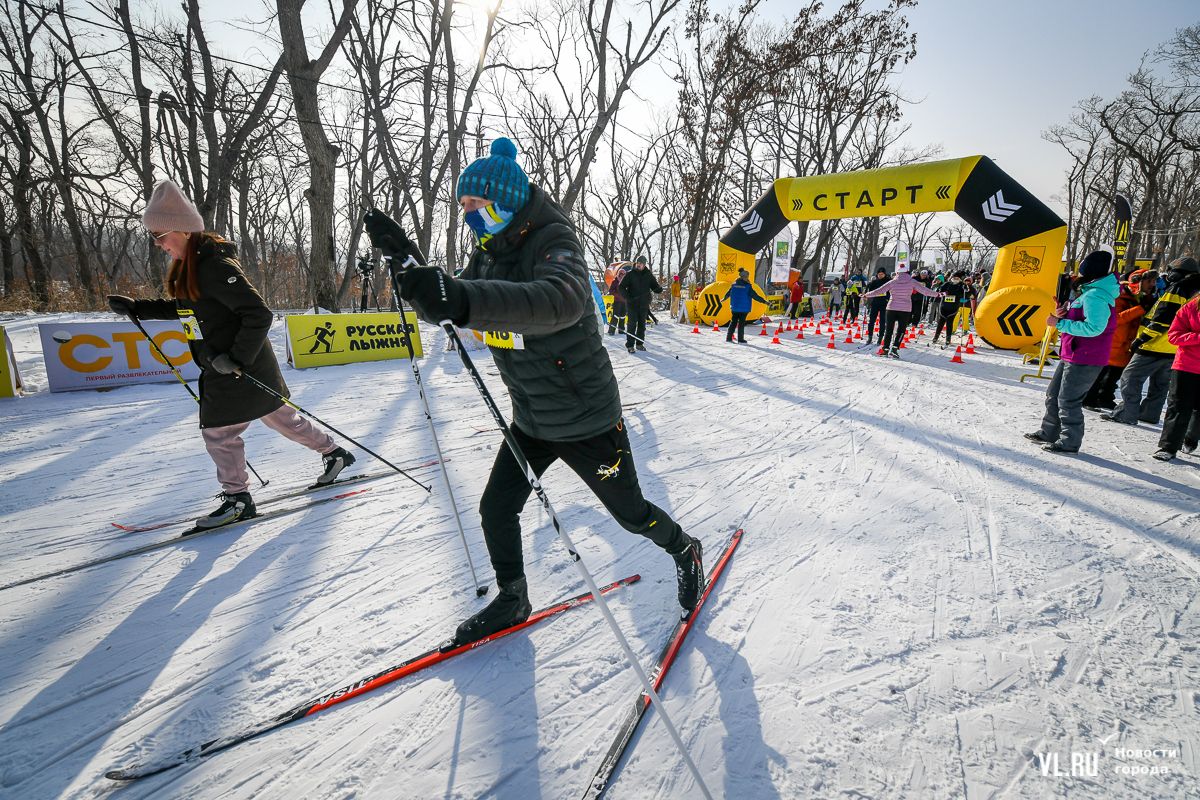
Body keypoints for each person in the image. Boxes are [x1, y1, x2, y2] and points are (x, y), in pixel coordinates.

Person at [364, 138, 703, 645]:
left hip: (587, 419)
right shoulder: (486, 254)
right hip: (531, 419)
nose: (468, 214)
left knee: (632, 516)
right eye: (463, 205)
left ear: (505, 200)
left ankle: (684, 548)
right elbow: (453, 304)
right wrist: (412, 266)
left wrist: (459, 296)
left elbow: (558, 301)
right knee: (495, 509)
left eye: (475, 203)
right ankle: (513, 597)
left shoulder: (554, 240)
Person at [107, 181, 354, 529]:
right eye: (154, 238)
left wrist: (236, 358)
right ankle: (334, 453)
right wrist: (138, 308)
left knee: (219, 433)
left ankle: (238, 500)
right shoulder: (190, 265)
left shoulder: (214, 266)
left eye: (161, 236)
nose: (159, 244)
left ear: (184, 231)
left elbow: (259, 314)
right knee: (280, 418)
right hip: (231, 364)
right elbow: (187, 309)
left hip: (235, 366)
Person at [1025, 249, 1119, 454]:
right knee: (1054, 394)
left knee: (1068, 400)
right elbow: (1081, 319)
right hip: (1072, 352)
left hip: (1086, 356)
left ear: (1090, 272)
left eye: (1081, 270)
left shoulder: (1095, 296)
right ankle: (1049, 432)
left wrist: (1060, 323)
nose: (1077, 274)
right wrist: (1065, 315)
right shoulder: (1088, 293)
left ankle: (1069, 442)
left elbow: (1095, 328)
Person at [1103, 256, 1200, 426]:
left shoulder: (1179, 288)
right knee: (1160, 384)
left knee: (1130, 377)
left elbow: (1163, 319)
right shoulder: (1196, 290)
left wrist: (1142, 338)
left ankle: (1126, 413)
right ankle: (1149, 414)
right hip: (1177, 348)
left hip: (1155, 344)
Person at [1082, 270, 1151, 411]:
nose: (1152, 284)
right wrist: (1140, 309)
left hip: (1127, 344)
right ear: (1137, 282)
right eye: (1149, 281)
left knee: (1113, 376)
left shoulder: (1143, 298)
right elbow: (1115, 318)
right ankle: (1089, 399)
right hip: (1113, 342)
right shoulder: (1118, 295)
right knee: (1100, 374)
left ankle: (1105, 398)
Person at [862, 264, 942, 358]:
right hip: (905, 309)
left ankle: (885, 349)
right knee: (901, 330)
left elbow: (879, 291)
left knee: (889, 330)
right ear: (907, 272)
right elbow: (925, 291)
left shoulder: (892, 282)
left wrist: (865, 295)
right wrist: (938, 294)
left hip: (891, 308)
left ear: (897, 272)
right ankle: (895, 348)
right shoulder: (912, 282)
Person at [618, 255, 663, 353]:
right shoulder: (630, 274)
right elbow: (621, 287)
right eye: (637, 263)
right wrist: (628, 297)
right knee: (632, 324)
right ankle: (630, 345)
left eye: (641, 263)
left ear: (644, 265)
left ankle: (639, 344)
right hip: (632, 304)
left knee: (642, 325)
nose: (638, 265)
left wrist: (659, 289)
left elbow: (654, 286)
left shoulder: (648, 275)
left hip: (644, 304)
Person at [723, 268, 767, 343]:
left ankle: (729, 338)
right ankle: (740, 339)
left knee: (733, 322)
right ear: (746, 277)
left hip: (735, 307)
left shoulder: (734, 285)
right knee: (741, 323)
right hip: (744, 309)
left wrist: (724, 298)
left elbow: (728, 293)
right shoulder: (747, 286)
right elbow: (755, 296)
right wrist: (764, 302)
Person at [931, 271, 968, 346]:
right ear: (951, 278)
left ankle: (948, 338)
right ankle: (936, 337)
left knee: (950, 322)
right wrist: (938, 288)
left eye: (957, 278)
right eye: (954, 278)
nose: (955, 279)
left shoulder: (961, 285)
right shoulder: (947, 284)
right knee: (941, 322)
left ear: (960, 279)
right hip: (944, 306)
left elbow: (966, 294)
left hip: (953, 307)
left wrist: (966, 290)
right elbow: (940, 290)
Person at [864, 267, 890, 344]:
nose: (880, 276)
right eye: (879, 274)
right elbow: (870, 291)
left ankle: (880, 337)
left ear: (884, 274)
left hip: (884, 304)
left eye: (882, 274)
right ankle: (870, 336)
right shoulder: (875, 282)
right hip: (875, 303)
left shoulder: (888, 282)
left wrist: (888, 299)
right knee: (871, 320)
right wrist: (868, 288)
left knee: (882, 321)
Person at [606, 266, 627, 336]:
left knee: (623, 316)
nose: (623, 275)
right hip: (617, 301)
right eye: (622, 274)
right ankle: (611, 331)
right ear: (619, 274)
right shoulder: (615, 281)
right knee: (615, 316)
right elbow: (611, 290)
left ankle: (621, 330)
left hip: (624, 301)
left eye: (624, 274)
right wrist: (617, 295)